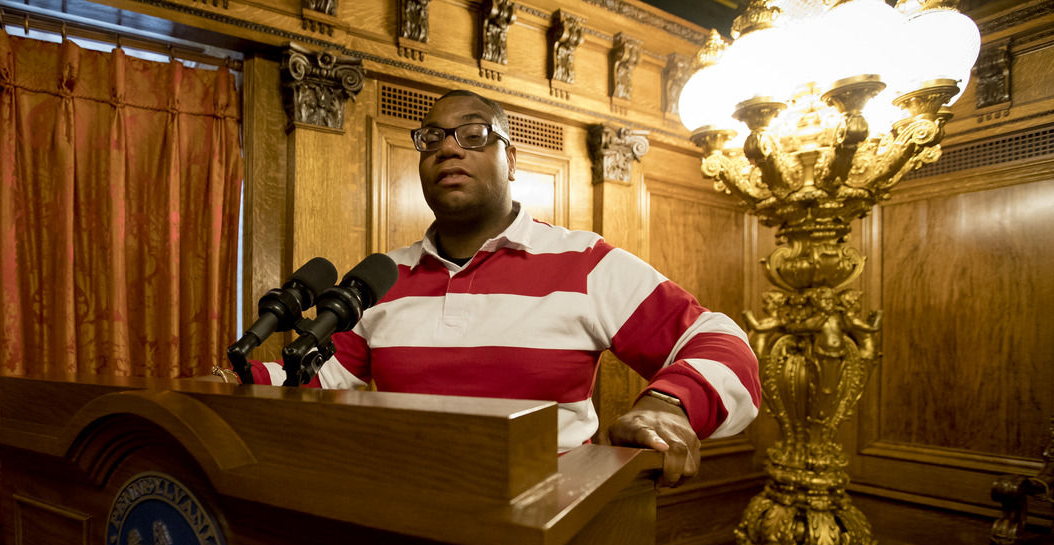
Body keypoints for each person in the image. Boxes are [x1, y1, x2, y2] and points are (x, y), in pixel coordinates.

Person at [241, 89, 760, 485]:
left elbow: (722, 341)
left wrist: (668, 407)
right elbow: (315, 380)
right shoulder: (383, 278)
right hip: (406, 516)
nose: (448, 148)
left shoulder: (583, 263)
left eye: (473, 135)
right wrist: (227, 381)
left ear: (511, 161)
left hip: (548, 527)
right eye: (432, 138)